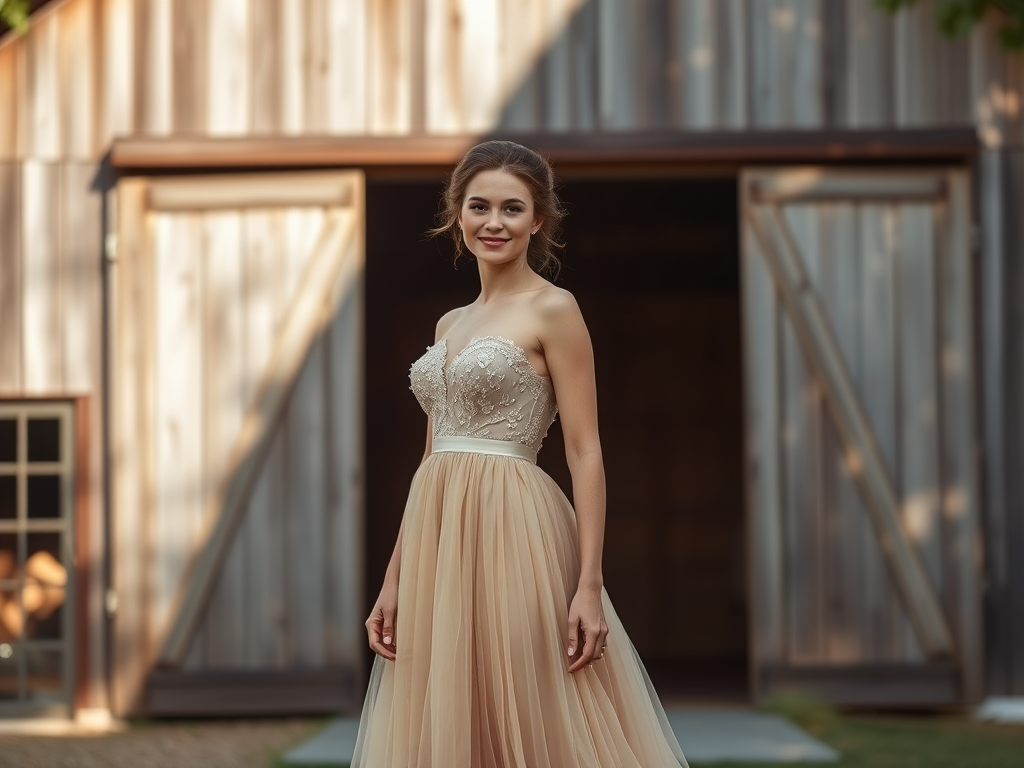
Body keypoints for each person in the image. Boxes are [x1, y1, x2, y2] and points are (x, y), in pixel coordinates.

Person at [352, 140, 687, 767]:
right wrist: (393, 579)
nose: (494, 222)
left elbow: (586, 449)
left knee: (532, 702)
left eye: (512, 208)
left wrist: (590, 584)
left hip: (516, 528)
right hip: (438, 535)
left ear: (538, 219)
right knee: (453, 708)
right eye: (479, 206)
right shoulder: (448, 325)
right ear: (458, 214)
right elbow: (431, 455)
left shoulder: (554, 309)